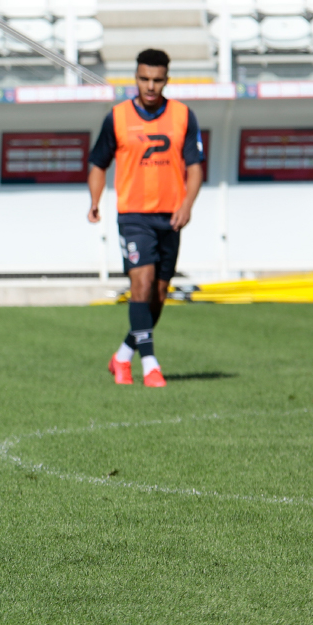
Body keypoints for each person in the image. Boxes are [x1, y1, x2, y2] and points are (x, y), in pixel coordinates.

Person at [87, 48, 204, 388]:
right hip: (134, 215)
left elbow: (195, 167)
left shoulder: (183, 116)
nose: (150, 86)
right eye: (144, 79)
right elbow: (98, 163)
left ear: (166, 80)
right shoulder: (118, 117)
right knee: (141, 283)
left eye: (157, 80)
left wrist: (188, 204)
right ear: (135, 78)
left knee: (159, 293)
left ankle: (123, 355)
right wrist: (95, 201)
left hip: (171, 216)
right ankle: (150, 365)